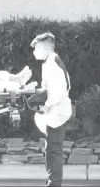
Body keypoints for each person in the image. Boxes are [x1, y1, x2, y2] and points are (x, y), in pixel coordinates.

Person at [30, 32, 72, 187]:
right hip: (57, 111)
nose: (34, 52)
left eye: (36, 49)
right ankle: (52, 181)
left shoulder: (52, 63)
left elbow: (60, 88)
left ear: (46, 48)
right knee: (52, 148)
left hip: (57, 112)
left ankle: (54, 183)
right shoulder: (50, 60)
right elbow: (54, 86)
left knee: (53, 150)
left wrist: (47, 105)